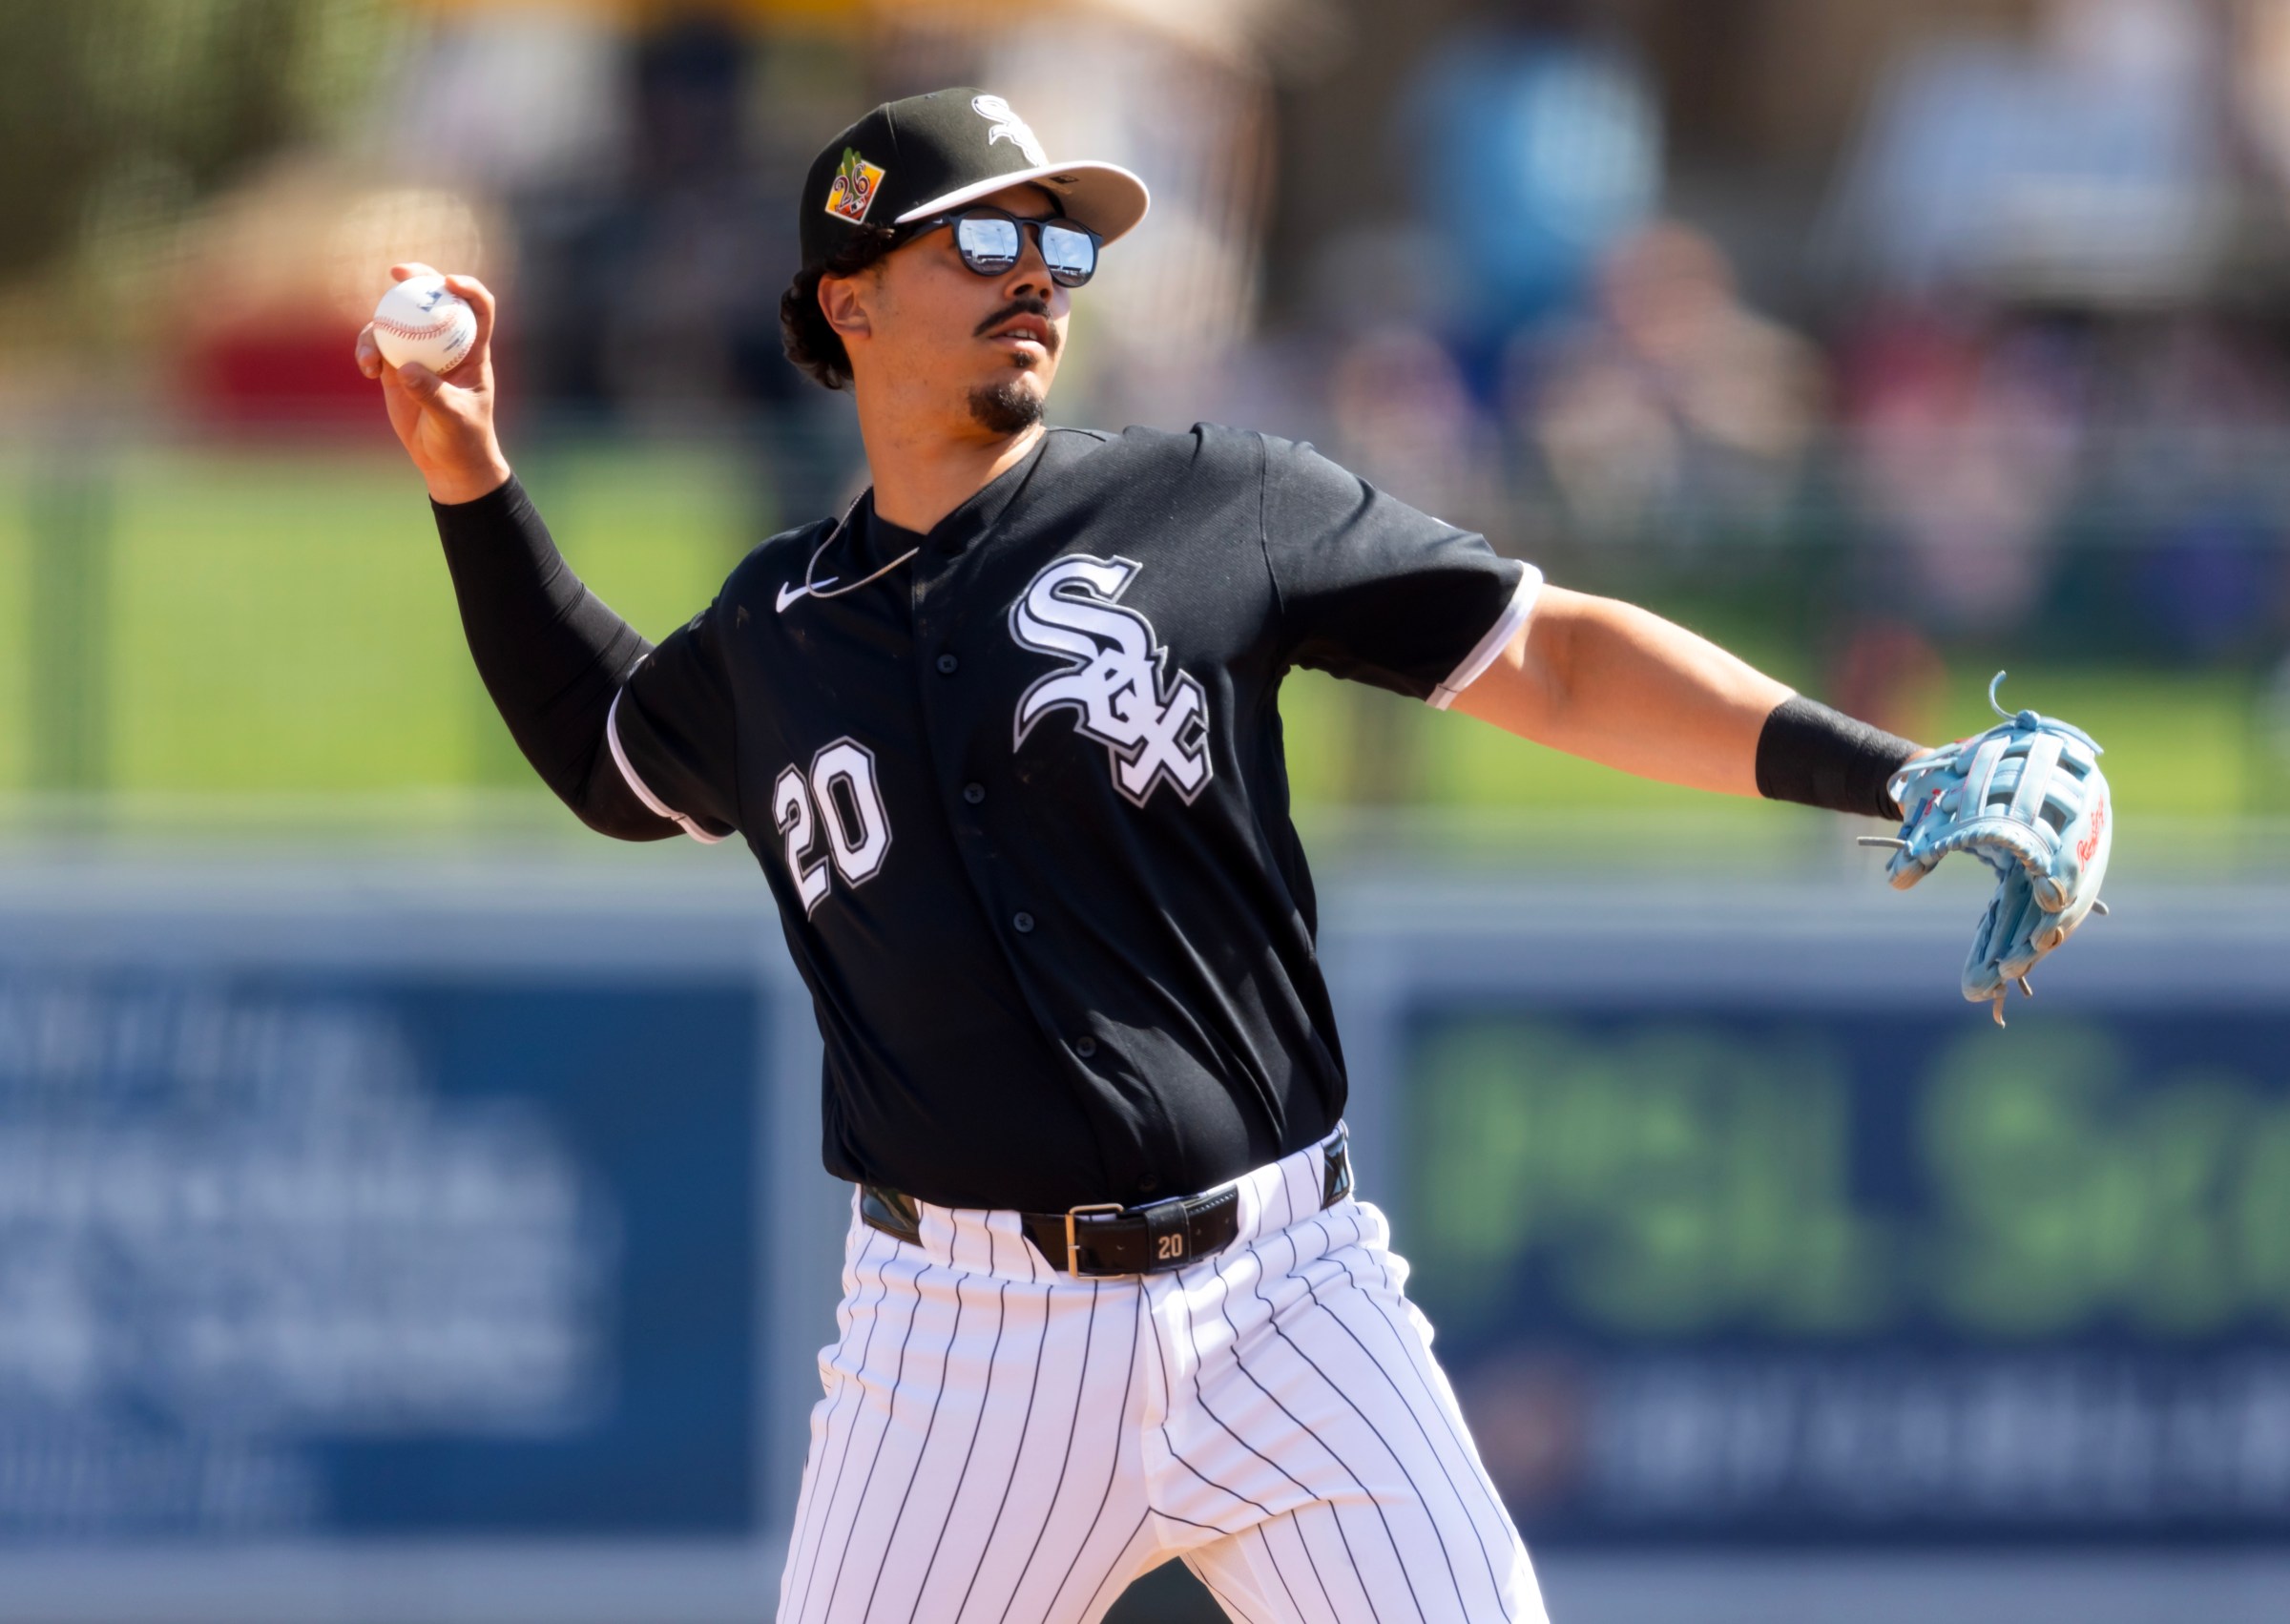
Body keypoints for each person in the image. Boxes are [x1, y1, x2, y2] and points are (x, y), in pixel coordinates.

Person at [358, 88, 1923, 1624]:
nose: (1034, 277)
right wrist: (467, 478)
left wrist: (1892, 774)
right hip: (955, 1348)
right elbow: (609, 753)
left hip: (1287, 1302)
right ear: (849, 299)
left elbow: (1551, 656)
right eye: (981, 242)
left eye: (1057, 246)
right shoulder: (778, 631)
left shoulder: (1211, 503)